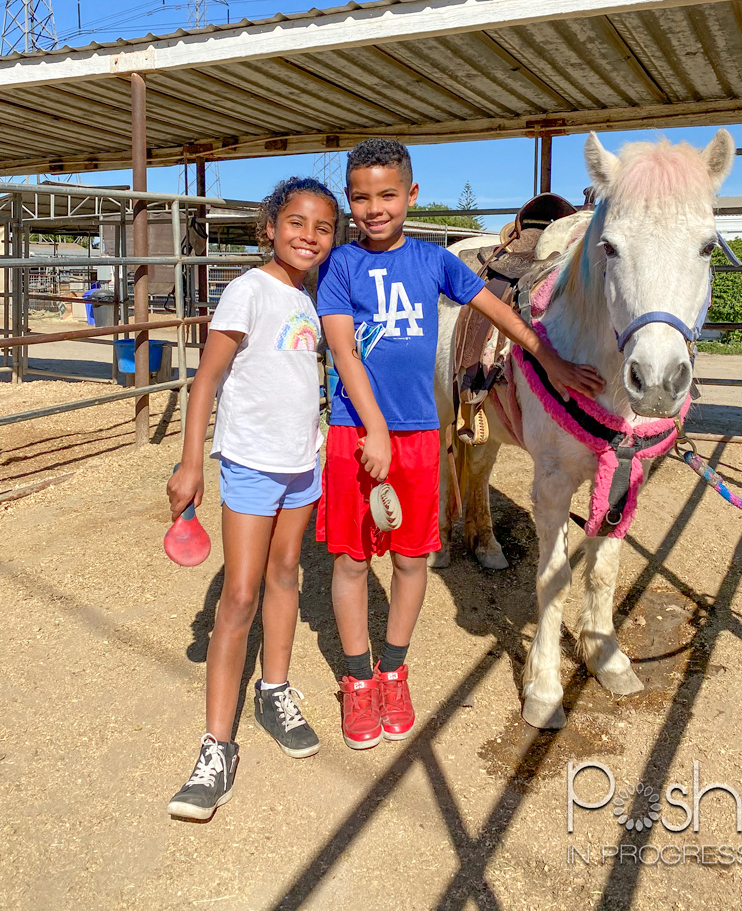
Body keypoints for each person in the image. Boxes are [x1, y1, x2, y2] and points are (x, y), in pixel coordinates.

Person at [316, 139, 604, 750]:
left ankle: (394, 667)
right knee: (349, 559)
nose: (375, 209)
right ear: (350, 200)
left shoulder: (435, 261)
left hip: (420, 434)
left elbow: (498, 314)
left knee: (412, 557)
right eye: (362, 197)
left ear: (411, 196)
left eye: (388, 195)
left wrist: (548, 358)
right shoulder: (339, 267)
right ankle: (358, 676)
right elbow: (342, 351)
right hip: (354, 433)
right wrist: (372, 430)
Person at [166, 176, 338, 820]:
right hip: (250, 463)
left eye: (323, 228)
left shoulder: (314, 298)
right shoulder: (248, 290)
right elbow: (206, 380)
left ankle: (274, 690)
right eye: (297, 223)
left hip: (303, 462)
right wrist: (191, 463)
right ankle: (216, 747)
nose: (309, 237)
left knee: (285, 574)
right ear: (270, 227)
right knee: (239, 594)